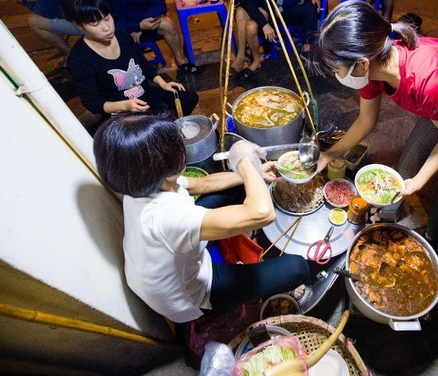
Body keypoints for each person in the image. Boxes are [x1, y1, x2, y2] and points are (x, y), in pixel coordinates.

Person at [311, 0, 438, 244]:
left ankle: (433, 236)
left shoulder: (429, 80)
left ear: (361, 64)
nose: (335, 76)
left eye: (335, 69)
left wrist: (418, 182)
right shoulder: (373, 66)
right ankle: (387, 216)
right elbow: (365, 121)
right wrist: (328, 156)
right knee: (407, 163)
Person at [92, 113, 309, 323]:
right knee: (298, 267)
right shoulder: (166, 218)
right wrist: (243, 161)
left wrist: (257, 171)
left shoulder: (141, 184)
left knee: (240, 189)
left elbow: (204, 184)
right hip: (190, 297)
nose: (182, 149)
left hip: (176, 259)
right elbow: (263, 213)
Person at [62, 0, 198, 117]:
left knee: (189, 97)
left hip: (144, 95)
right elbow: (93, 103)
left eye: (107, 19)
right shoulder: (79, 59)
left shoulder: (121, 36)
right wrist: (126, 106)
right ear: (79, 25)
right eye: (95, 24)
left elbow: (144, 66)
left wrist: (163, 83)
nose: (106, 28)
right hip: (120, 109)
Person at [86, 0, 198, 78]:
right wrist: (135, 26)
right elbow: (101, 20)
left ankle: (181, 60)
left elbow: (159, 2)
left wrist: (140, 26)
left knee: (168, 25)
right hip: (117, 27)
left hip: (145, 20)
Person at [218, 0, 275, 80]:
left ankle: (241, 56)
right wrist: (263, 22)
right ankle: (255, 59)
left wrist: (264, 9)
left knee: (242, 14)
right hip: (246, 12)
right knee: (247, 21)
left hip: (263, 10)